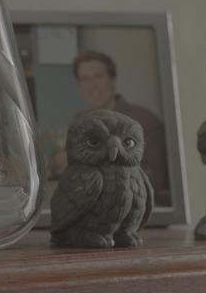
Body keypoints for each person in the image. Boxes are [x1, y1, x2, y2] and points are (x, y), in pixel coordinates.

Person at [71, 50, 171, 206]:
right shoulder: (80, 122)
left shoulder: (145, 122)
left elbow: (154, 183)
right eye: (85, 78)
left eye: (98, 76)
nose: (92, 85)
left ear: (112, 80)